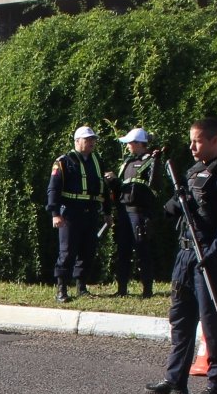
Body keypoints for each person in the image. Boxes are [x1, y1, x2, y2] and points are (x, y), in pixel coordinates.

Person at [147, 116, 217, 394]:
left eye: (198, 140)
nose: (191, 146)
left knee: (213, 322)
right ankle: (175, 378)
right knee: (180, 318)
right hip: (186, 254)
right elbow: (174, 208)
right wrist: (171, 206)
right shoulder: (192, 172)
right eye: (191, 140)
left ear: (214, 140)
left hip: (209, 256)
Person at [47, 125, 108, 302]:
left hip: (90, 211)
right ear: (77, 141)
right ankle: (62, 289)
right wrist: (55, 213)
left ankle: (81, 286)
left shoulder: (97, 161)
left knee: (87, 250)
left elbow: (103, 188)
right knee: (67, 251)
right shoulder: (64, 161)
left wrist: (107, 211)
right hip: (70, 213)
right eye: (87, 139)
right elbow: (53, 189)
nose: (91, 142)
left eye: (93, 139)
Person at [109, 127, 162, 297]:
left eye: (131, 143)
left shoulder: (152, 160)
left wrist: (157, 160)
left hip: (139, 212)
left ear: (140, 144)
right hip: (124, 211)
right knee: (123, 251)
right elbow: (122, 187)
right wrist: (113, 181)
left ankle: (147, 289)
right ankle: (121, 289)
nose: (128, 147)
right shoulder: (127, 162)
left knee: (142, 251)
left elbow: (155, 185)